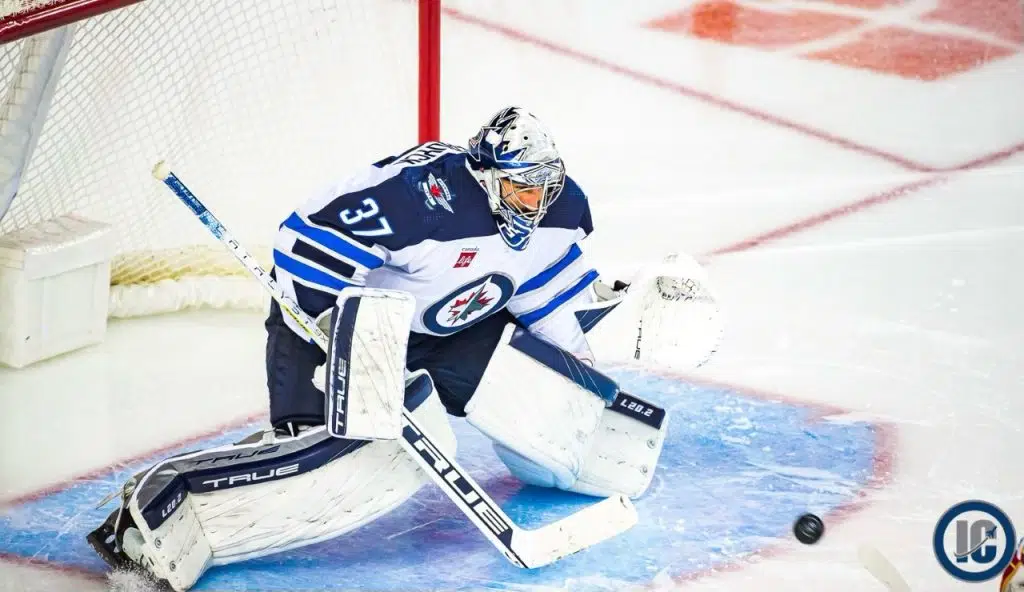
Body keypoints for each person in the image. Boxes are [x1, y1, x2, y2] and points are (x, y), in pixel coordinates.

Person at [86, 107, 670, 591]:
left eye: (545, 184)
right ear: (488, 178)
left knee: (546, 401)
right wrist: (347, 341)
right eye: (521, 186)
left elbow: (545, 292)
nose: (536, 199)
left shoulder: (561, 208)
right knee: (329, 462)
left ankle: (576, 440)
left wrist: (580, 380)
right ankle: (149, 521)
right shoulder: (419, 198)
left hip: (449, 333)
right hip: (338, 325)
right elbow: (302, 245)